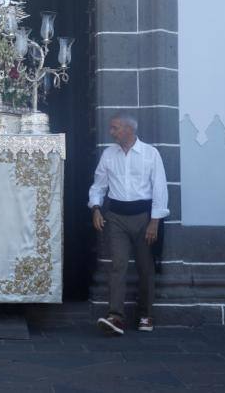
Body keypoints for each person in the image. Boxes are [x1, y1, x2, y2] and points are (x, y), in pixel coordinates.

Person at [89, 113, 169, 335]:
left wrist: (154, 222)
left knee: (145, 268)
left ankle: (146, 314)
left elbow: (160, 189)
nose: (111, 132)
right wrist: (95, 208)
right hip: (115, 217)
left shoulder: (150, 154)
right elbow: (99, 185)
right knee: (118, 265)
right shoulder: (108, 154)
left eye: (115, 128)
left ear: (129, 130)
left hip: (144, 217)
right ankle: (116, 316)